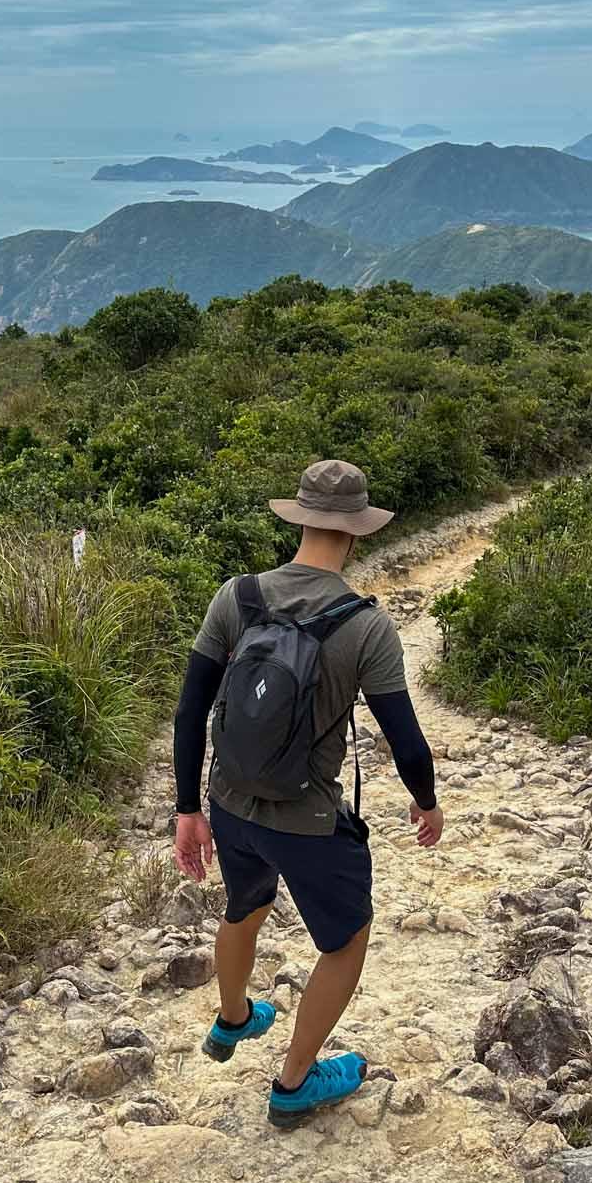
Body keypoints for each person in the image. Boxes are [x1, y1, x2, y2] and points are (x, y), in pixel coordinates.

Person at [172, 459, 444, 1128]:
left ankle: (234, 1017)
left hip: (230, 803)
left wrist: (187, 810)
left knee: (246, 903)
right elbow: (405, 739)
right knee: (346, 939)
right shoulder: (366, 625)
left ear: (297, 519)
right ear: (356, 533)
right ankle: (295, 1081)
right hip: (310, 819)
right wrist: (426, 800)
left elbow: (189, 709)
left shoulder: (235, 597)